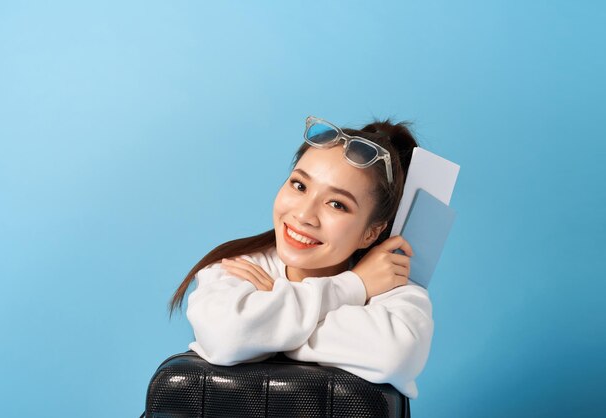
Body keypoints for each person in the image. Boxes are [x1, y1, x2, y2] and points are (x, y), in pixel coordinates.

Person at [169, 116, 434, 399]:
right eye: (299, 186)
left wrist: (272, 315)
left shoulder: (392, 285)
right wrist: (354, 286)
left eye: (337, 204)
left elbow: (394, 354)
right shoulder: (234, 268)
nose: (304, 215)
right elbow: (228, 335)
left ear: (371, 233)